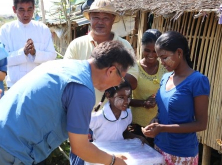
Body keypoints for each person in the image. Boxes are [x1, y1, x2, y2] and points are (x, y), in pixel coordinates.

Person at [0, 41, 135, 165]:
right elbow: (80, 148)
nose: (119, 83)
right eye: (122, 78)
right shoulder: (82, 89)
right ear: (111, 71)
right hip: (10, 150)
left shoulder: (62, 65)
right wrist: (113, 161)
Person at [142, 31, 210, 164]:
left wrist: (162, 128)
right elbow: (164, 111)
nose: (161, 62)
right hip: (160, 147)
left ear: (179, 53)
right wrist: (155, 121)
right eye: (160, 58)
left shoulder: (197, 80)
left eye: (164, 57)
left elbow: (201, 124)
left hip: (181, 154)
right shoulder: (166, 78)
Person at [64, 0, 138, 107]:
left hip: (114, 115)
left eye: (106, 18)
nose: (100, 22)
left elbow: (133, 82)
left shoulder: (124, 46)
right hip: (81, 110)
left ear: (113, 20)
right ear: (90, 19)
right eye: (96, 17)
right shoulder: (76, 44)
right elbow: (66, 76)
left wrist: (111, 72)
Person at [71, 80, 147, 165]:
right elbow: (80, 137)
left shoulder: (127, 114)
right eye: (121, 97)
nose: (126, 101)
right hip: (102, 158)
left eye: (128, 97)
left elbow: (124, 133)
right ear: (108, 95)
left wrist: (137, 137)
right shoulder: (97, 117)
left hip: (120, 156)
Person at [0, 0, 56, 88]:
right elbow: (3, 60)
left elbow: (52, 56)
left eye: (29, 10)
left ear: (34, 8)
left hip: (39, 85)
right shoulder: (5, 30)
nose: (26, 14)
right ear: (14, 9)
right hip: (14, 86)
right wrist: (23, 53)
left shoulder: (42, 29)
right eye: (21, 10)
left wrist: (35, 53)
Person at [128, 29, 167, 147]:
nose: (151, 55)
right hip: (137, 127)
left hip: (160, 125)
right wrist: (143, 103)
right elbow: (123, 99)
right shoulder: (133, 69)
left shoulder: (165, 68)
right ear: (141, 47)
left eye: (155, 51)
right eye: (147, 50)